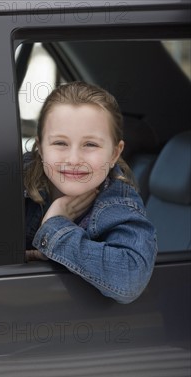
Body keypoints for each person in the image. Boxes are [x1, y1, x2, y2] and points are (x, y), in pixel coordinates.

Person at [24, 81, 157, 303]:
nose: (74, 159)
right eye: (60, 143)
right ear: (40, 147)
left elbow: (129, 277)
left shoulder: (119, 201)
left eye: (90, 145)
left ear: (114, 153)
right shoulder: (19, 175)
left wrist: (56, 226)